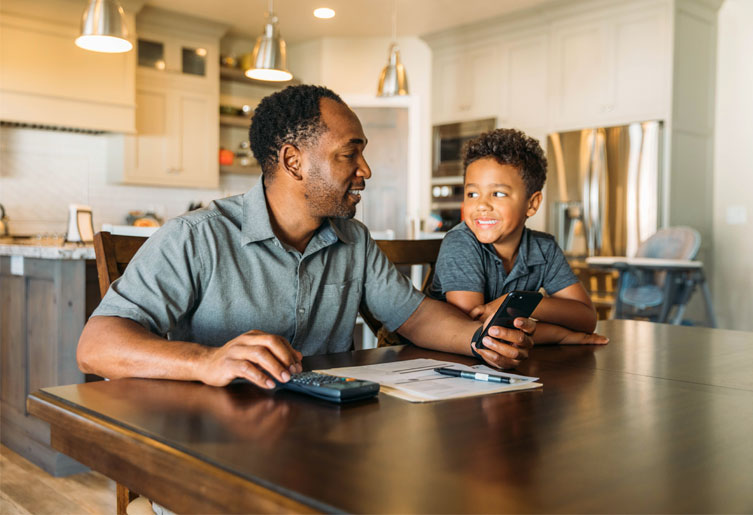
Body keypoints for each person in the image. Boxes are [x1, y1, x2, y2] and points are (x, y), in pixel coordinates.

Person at [78, 85, 538, 389]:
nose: (365, 171)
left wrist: (480, 341)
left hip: (319, 439)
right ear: (293, 161)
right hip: (210, 447)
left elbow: (415, 317)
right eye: (348, 154)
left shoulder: (352, 240)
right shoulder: (196, 237)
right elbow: (95, 347)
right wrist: (205, 361)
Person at [428, 128, 608, 345]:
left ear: (531, 204)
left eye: (498, 194)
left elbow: (587, 318)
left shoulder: (543, 248)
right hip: (437, 361)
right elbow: (476, 332)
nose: (481, 205)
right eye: (472, 194)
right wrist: (561, 335)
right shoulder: (460, 243)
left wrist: (516, 303)